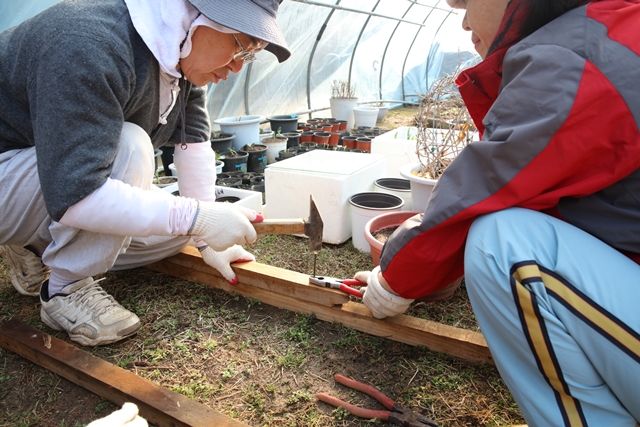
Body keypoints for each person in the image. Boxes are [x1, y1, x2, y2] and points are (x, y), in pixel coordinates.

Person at [354, 0, 640, 425]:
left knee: (503, 241)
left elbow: (487, 187)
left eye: (466, 2)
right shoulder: (611, 29)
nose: (465, 21)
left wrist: (395, 279)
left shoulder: (575, 55)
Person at [0, 0, 290, 347]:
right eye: (241, 44)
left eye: (251, 53)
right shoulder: (88, 43)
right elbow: (79, 193)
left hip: (46, 177)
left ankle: (36, 242)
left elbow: (193, 143)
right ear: (196, 16)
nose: (238, 67)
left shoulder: (174, 54)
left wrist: (206, 236)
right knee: (130, 148)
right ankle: (66, 289)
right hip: (25, 174)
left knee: (178, 231)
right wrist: (195, 216)